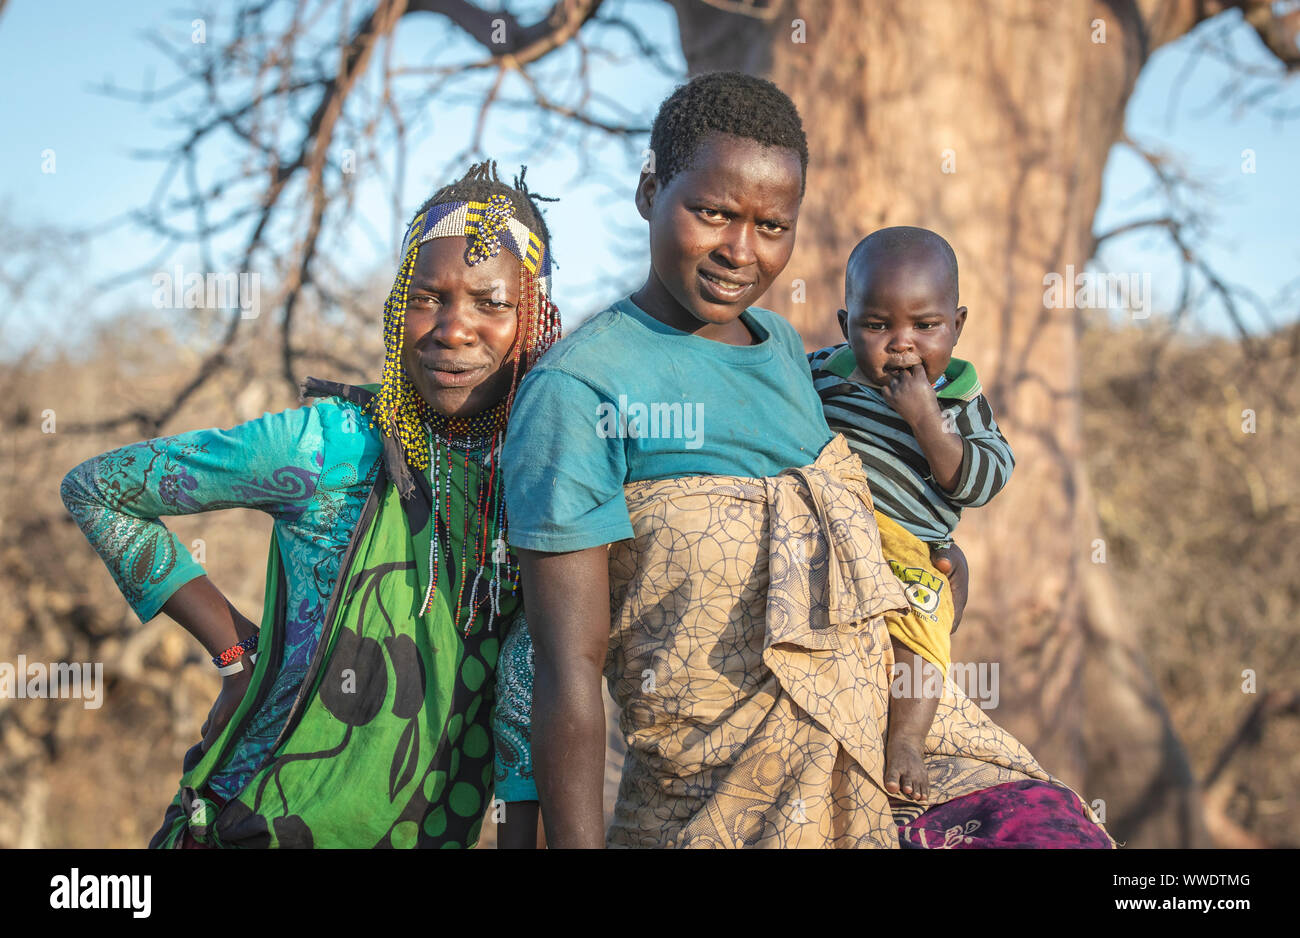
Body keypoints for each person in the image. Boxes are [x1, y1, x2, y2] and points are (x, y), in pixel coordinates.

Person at [502, 71, 1113, 848]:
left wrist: (916, 561)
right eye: (712, 212)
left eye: (772, 225)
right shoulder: (580, 388)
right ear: (649, 187)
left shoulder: (795, 356)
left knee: (1054, 837)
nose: (740, 251)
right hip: (729, 792)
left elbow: (855, 504)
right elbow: (565, 669)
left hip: (891, 747)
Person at [60, 161, 556, 848]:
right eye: (427, 297)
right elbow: (99, 489)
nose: (453, 328)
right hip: (248, 827)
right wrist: (237, 655)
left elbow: (527, 708)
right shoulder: (330, 447)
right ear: (395, 312)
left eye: (491, 303)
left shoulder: (543, 486)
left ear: (535, 318)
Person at [808, 226, 1012, 804]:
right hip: (827, 523)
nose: (902, 344)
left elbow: (982, 480)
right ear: (847, 323)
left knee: (922, 635)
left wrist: (926, 418)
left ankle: (906, 742)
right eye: (878, 326)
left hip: (911, 548)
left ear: (958, 324)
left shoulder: (960, 399)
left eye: (925, 327)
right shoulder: (825, 372)